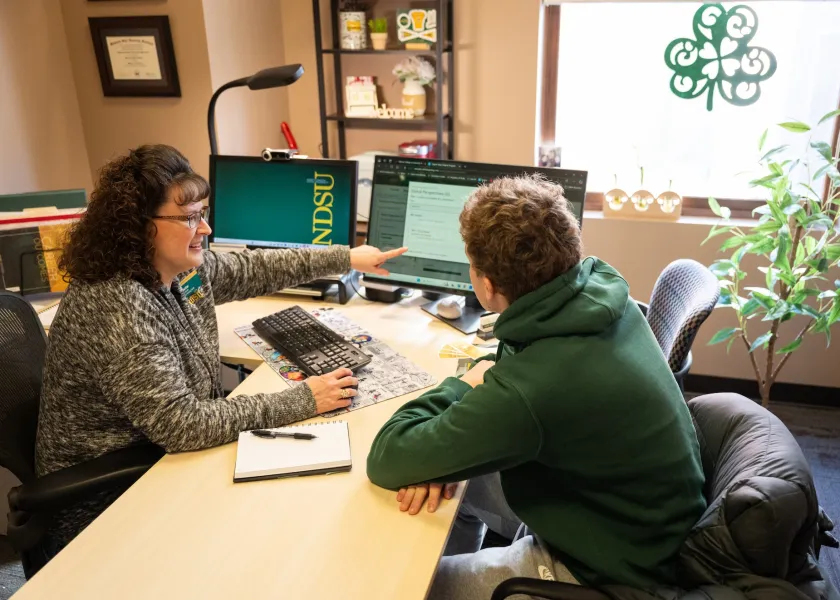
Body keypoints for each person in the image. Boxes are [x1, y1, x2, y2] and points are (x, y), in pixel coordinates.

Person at [36, 144, 405, 558]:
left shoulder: (179, 272)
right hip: (113, 496)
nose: (206, 229)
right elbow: (183, 425)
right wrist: (305, 399)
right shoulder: (117, 304)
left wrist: (346, 256)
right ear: (139, 226)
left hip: (166, 459)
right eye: (189, 218)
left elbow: (254, 269)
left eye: (204, 213)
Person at [366, 174, 706, 599]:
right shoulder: (602, 293)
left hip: (613, 571)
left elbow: (386, 456)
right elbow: (527, 376)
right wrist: (434, 461)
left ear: (488, 285)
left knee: (406, 588)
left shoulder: (531, 389)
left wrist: (460, 387)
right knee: (449, 483)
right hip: (639, 516)